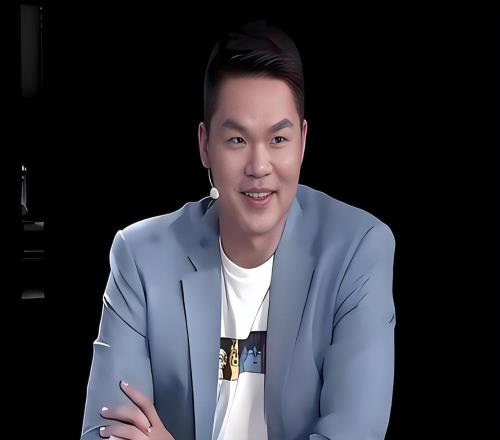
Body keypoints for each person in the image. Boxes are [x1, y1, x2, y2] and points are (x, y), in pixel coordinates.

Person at [81, 19, 397, 440]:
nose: (259, 167)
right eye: (237, 140)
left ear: (303, 142)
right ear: (204, 145)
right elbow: (105, 431)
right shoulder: (140, 257)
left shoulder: (357, 250)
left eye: (278, 140)